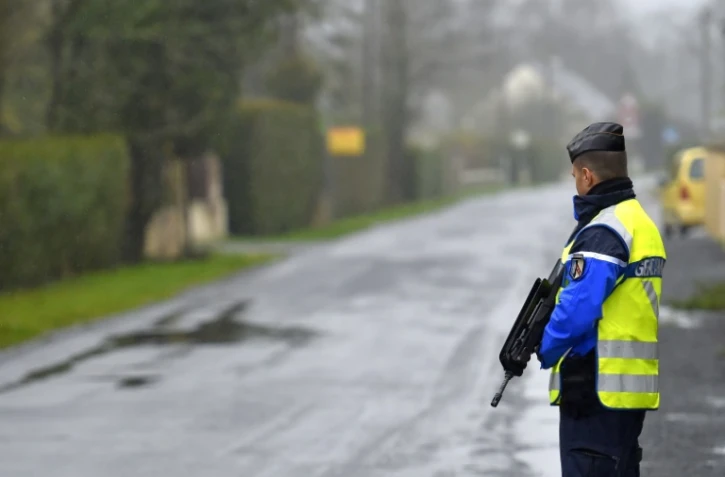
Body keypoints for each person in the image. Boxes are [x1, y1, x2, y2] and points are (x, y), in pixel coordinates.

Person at [536, 122, 666, 477]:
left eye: (576, 174)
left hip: (594, 389)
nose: (574, 181)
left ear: (588, 177)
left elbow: (577, 310)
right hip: (627, 390)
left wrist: (543, 346)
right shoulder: (640, 223)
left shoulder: (603, 230)